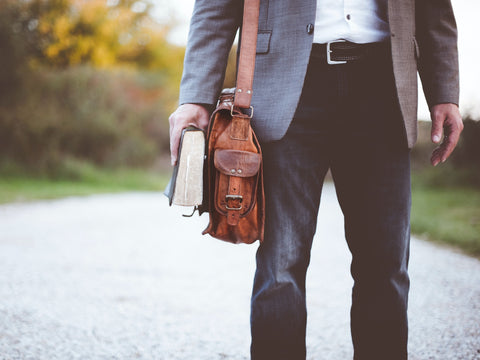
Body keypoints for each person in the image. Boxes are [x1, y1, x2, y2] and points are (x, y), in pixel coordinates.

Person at [168, 0, 463, 359]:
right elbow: (215, 8)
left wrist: (445, 91)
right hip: (287, 84)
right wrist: (195, 97)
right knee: (281, 264)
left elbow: (434, 11)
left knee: (386, 265)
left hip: (384, 86)